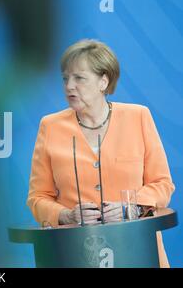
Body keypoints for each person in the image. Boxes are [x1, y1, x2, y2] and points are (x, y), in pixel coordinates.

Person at [26, 39, 175, 267]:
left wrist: (131, 208)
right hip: (75, 254)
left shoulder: (138, 117)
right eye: (65, 78)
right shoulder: (50, 126)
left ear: (103, 82)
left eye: (79, 78)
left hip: (137, 249)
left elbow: (162, 184)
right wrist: (66, 215)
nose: (69, 86)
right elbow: (38, 198)